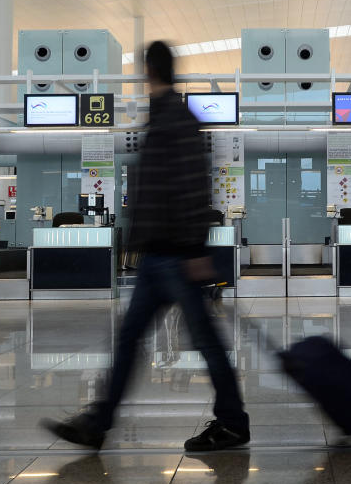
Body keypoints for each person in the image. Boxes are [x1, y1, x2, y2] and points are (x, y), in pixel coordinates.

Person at [41, 41, 250, 452]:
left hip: (176, 256)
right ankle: (98, 423)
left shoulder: (175, 119)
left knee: (203, 340)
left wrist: (195, 251)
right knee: (131, 337)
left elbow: (193, 186)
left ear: (147, 72)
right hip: (157, 256)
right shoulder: (161, 117)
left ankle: (232, 422)